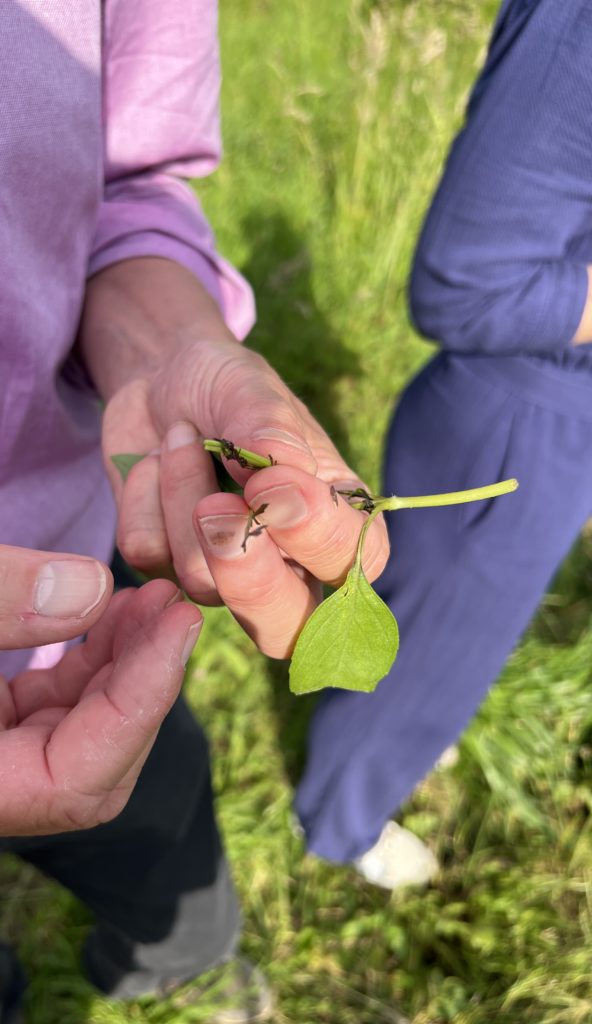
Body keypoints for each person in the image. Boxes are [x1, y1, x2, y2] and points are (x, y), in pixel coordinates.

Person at [0, 3, 389, 1021]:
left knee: (164, 833)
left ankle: (182, 968)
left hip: (91, 582)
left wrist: (169, 348)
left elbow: (126, 193)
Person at [296, 0, 592, 889]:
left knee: (437, 646)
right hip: (511, 433)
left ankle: (395, 741)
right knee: (416, 662)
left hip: (553, 414)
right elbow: (465, 286)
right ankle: (339, 827)